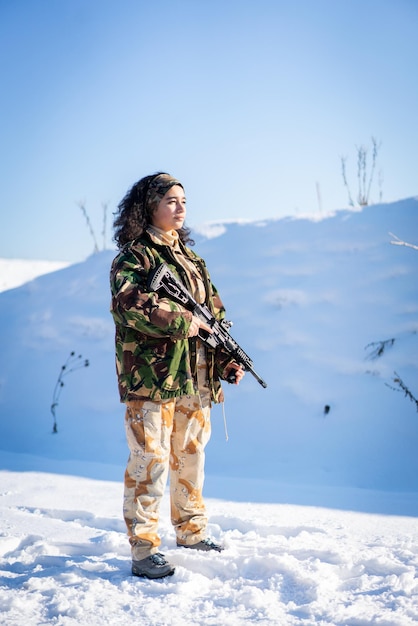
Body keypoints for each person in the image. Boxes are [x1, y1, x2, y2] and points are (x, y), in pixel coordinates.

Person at [110, 172, 245, 579]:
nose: (180, 207)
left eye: (183, 200)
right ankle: (144, 550)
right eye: (171, 200)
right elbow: (128, 306)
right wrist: (182, 321)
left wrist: (225, 360)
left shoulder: (191, 260)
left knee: (189, 457)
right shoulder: (135, 257)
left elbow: (214, 318)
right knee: (149, 460)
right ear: (149, 206)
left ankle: (190, 532)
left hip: (195, 377)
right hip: (151, 377)